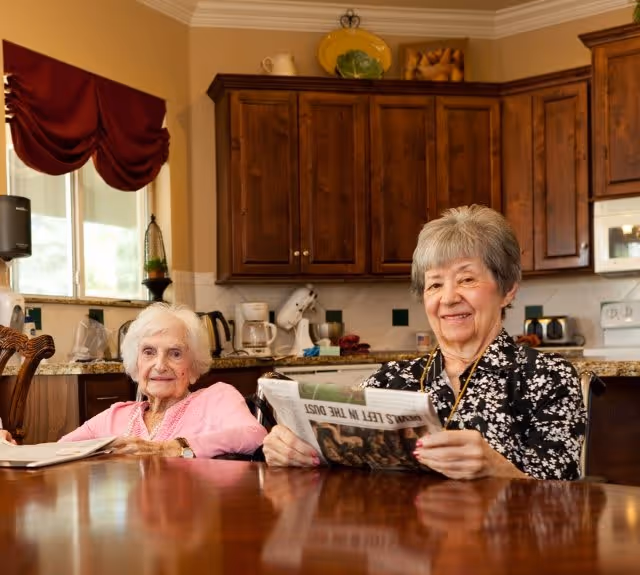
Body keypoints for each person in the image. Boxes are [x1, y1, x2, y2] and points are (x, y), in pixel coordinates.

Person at [262, 205, 587, 480]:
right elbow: (343, 468)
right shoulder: (390, 380)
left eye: (467, 279)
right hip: (411, 548)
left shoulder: (548, 377)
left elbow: (564, 498)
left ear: (509, 289)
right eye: (434, 285)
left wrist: (497, 468)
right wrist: (292, 448)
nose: (448, 298)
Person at [60, 303, 267, 458]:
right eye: (149, 352)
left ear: (193, 366)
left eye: (175, 353)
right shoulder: (115, 416)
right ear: (136, 363)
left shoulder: (215, 399)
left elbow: (255, 436)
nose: (160, 365)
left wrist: (175, 447)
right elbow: (58, 450)